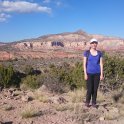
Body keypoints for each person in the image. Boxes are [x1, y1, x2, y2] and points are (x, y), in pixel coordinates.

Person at [83, 38, 103, 108]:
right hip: (89, 73)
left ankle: (94, 103)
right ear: (90, 44)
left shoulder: (100, 53)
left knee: (95, 89)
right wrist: (85, 74)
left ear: (96, 44)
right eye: (93, 43)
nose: (94, 44)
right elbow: (84, 64)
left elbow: (101, 64)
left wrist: (101, 74)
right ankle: (87, 102)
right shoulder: (87, 52)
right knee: (89, 89)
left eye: (95, 43)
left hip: (97, 73)